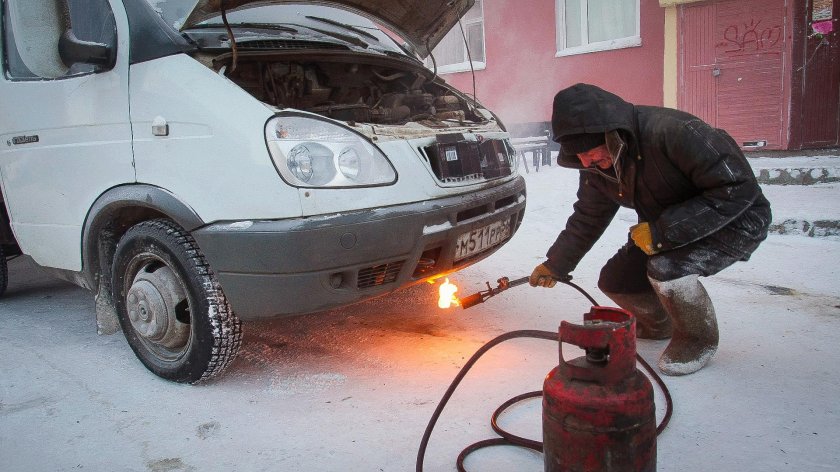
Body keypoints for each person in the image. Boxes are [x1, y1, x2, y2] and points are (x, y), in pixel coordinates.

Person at [530, 83, 771, 376]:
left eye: (592, 152)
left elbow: (737, 187)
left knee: (667, 268)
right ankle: (660, 325)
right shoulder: (597, 165)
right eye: (579, 156)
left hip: (737, 219)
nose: (587, 162)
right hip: (667, 225)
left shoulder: (675, 132)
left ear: (612, 134)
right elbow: (589, 216)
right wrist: (556, 264)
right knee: (615, 280)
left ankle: (697, 339)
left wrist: (661, 232)